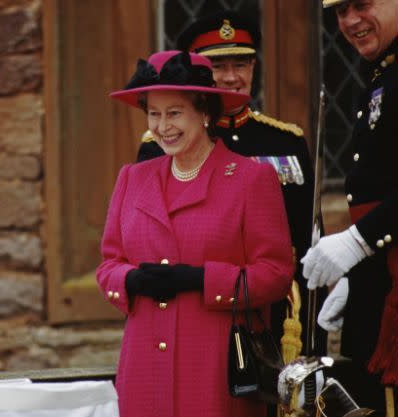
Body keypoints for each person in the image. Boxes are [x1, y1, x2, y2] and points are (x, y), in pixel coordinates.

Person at [97, 50, 294, 417]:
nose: (162, 126)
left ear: (205, 112)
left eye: (174, 113)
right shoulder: (132, 178)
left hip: (215, 366)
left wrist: (202, 279)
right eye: (153, 113)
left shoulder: (251, 178)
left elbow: (276, 274)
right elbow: (109, 265)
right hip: (144, 367)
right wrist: (132, 279)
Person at [137, 12, 326, 359]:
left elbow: (309, 239)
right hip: (202, 307)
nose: (231, 77)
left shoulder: (286, 140)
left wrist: (316, 318)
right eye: (217, 67)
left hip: (280, 314)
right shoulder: (162, 143)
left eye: (241, 64)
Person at [302, 0, 398, 414]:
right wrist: (363, 270)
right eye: (339, 11)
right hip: (384, 272)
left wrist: (359, 242)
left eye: (362, 4)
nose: (350, 21)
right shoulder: (382, 73)